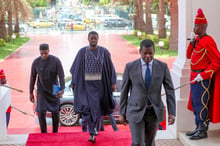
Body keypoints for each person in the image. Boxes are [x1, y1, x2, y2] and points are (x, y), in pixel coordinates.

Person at [119, 39, 176, 146]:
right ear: (140, 51)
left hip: (153, 112)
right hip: (135, 110)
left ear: (154, 51)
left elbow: (170, 90)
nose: (148, 56)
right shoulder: (130, 67)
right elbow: (124, 91)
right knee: (138, 143)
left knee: (149, 143)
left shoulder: (162, 67)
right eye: (145, 53)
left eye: (150, 53)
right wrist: (122, 112)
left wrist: (172, 112)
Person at [70, 31, 116, 143]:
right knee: (86, 108)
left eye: (95, 38)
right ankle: (92, 130)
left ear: (98, 39)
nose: (93, 40)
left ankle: (94, 132)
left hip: (100, 85)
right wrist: (74, 82)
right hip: (86, 85)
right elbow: (75, 69)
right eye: (91, 38)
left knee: (97, 109)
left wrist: (113, 82)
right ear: (88, 39)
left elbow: (111, 68)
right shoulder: (82, 52)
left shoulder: (104, 52)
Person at [186, 8, 220, 140]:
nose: (194, 28)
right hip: (194, 76)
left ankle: (202, 130)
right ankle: (197, 127)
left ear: (202, 26)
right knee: (195, 103)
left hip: (202, 77)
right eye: (194, 25)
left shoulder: (208, 41)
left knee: (202, 103)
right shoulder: (197, 40)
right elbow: (189, 56)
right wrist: (192, 43)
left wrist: (205, 75)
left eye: (196, 25)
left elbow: (217, 61)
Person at [29, 43, 65, 133]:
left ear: (49, 51)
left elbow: (61, 76)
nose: (44, 55)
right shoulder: (36, 62)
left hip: (55, 88)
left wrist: (62, 89)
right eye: (42, 53)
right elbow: (32, 77)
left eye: (45, 53)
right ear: (39, 52)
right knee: (41, 111)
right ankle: (43, 132)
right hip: (42, 89)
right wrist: (30, 92)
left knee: (55, 112)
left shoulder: (56, 61)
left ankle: (55, 132)